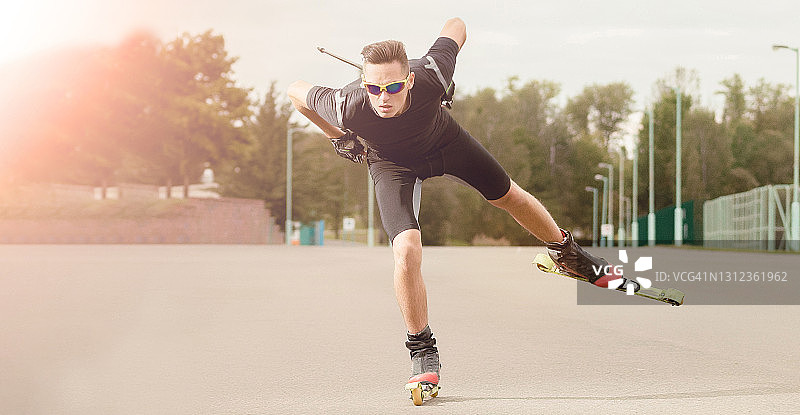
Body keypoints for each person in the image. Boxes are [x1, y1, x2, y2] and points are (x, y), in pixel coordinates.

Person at [287, 17, 618, 398]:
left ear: (409, 79)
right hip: (392, 165)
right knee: (406, 250)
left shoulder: (431, 73)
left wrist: (443, 78)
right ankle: (422, 350)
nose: (383, 98)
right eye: (375, 88)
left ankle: (567, 253)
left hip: (445, 141)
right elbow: (296, 91)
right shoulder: (347, 104)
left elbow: (457, 25)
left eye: (393, 87)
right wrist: (337, 136)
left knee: (509, 195)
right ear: (364, 84)